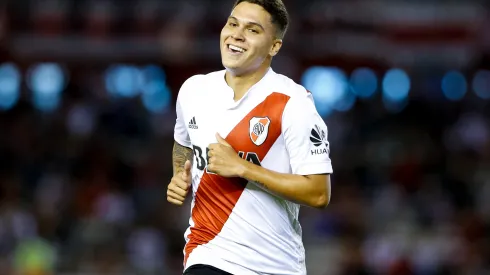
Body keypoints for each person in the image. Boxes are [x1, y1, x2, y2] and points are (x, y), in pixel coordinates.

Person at [167, 0, 333, 274]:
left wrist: (243, 168)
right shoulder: (193, 90)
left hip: (275, 264)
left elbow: (318, 193)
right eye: (233, 24)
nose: (236, 34)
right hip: (207, 254)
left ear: (274, 46)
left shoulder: (293, 103)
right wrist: (178, 174)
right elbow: (183, 142)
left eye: (253, 30)